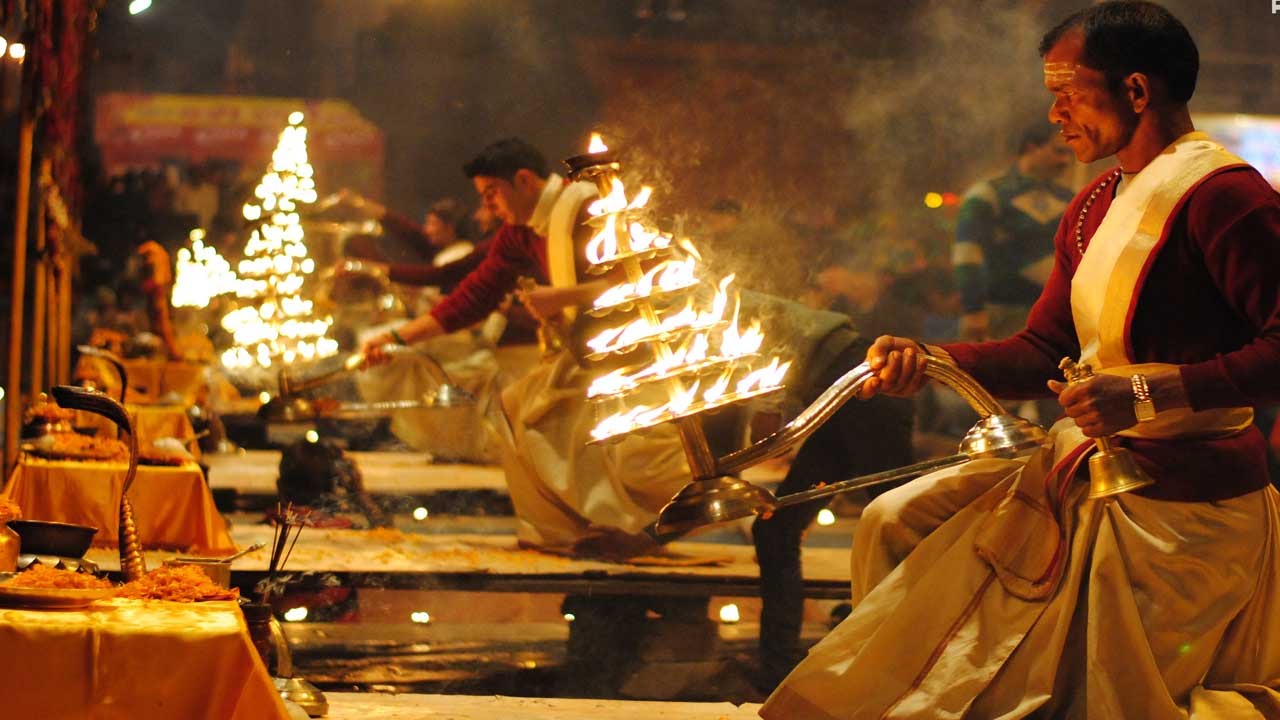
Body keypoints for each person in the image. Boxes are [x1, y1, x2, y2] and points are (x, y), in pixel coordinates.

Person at [763, 3, 1280, 717]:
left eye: (1068, 95)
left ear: (1136, 91)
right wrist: (932, 358)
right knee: (893, 520)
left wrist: (1157, 393)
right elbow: (1043, 349)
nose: (1054, 116)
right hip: (1087, 471)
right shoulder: (1094, 204)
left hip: (1185, 505)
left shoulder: (1226, 197)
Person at [361, 138, 693, 556]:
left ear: (523, 181)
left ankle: (632, 529)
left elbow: (652, 273)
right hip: (585, 353)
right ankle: (563, 530)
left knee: (617, 444)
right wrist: (396, 339)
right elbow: (475, 295)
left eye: (491, 195)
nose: (489, 207)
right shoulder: (518, 233)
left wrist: (563, 298)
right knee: (516, 407)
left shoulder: (588, 207)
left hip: (638, 352)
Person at [953, 124, 1074, 342]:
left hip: (1054, 316)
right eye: (1058, 151)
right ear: (1031, 148)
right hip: (1001, 315)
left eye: (1069, 154)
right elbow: (967, 254)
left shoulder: (1069, 199)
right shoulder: (986, 195)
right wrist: (973, 310)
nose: (1065, 161)